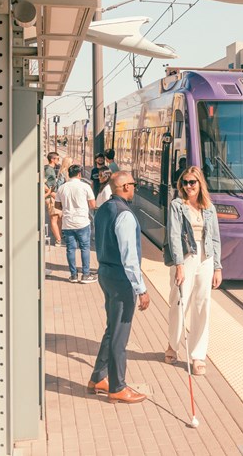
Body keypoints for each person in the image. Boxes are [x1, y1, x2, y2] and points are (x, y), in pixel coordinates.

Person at [87, 171, 151, 403]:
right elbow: (129, 257)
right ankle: (117, 386)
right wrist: (141, 289)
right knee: (120, 334)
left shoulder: (103, 209)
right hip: (121, 278)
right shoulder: (125, 215)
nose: (135, 188)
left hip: (105, 272)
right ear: (124, 187)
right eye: (133, 184)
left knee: (111, 328)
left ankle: (98, 378)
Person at [164, 166, 222, 376]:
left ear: (200, 184)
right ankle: (173, 345)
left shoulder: (209, 208)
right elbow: (173, 236)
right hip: (186, 257)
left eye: (192, 182)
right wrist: (179, 265)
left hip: (206, 258)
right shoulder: (177, 206)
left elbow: (215, 238)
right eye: (185, 182)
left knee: (202, 305)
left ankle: (198, 355)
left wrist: (217, 267)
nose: (188, 186)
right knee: (179, 303)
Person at [53, 164, 96, 283]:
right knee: (85, 248)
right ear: (79, 174)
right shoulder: (85, 186)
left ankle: (73, 275)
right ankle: (86, 275)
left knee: (70, 249)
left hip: (68, 223)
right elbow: (92, 205)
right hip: (82, 222)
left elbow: (57, 206)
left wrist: (67, 207)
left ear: (69, 174)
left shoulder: (62, 188)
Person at [43, 153, 62, 248]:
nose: (58, 160)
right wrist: (50, 192)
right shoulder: (49, 170)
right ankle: (58, 240)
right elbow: (43, 182)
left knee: (58, 217)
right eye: (57, 159)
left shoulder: (48, 168)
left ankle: (59, 238)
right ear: (53, 159)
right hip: (51, 198)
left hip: (52, 196)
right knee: (54, 218)